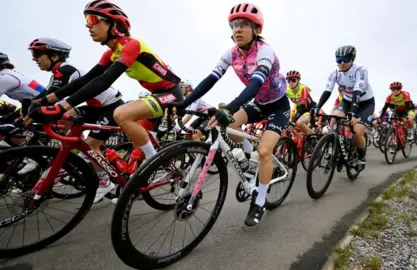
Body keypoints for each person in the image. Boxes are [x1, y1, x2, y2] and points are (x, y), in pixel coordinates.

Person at [170, 2, 289, 227]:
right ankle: (247, 158)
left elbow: (255, 83)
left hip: (278, 105)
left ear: (257, 30)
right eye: (234, 25)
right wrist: (184, 102)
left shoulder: (266, 50)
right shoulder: (231, 54)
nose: (237, 30)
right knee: (229, 126)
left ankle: (260, 201)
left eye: (244, 25)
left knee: (265, 151)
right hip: (259, 103)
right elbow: (210, 79)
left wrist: (229, 107)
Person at [26, 0, 183, 169]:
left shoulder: (132, 45)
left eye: (93, 20)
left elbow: (104, 81)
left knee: (121, 114)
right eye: (87, 21)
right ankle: (132, 177)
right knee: (133, 154)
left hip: (172, 93)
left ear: (113, 24)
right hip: (155, 94)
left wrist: (61, 107)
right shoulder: (111, 53)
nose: (88, 26)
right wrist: (45, 101)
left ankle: (153, 163)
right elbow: (85, 80)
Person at [27, 37, 124, 203]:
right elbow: (43, 97)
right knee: (64, 120)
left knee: (92, 144)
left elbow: (53, 97)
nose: (34, 59)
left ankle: (104, 182)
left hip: (111, 106)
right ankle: (72, 151)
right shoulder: (57, 72)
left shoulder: (66, 70)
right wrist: (27, 109)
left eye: (37, 54)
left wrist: (32, 110)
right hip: (95, 107)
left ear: (55, 56)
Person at [315, 45, 375, 170]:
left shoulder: (361, 70)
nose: (342, 63)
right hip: (347, 101)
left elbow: (357, 92)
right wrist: (317, 107)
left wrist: (353, 113)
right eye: (338, 60)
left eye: (345, 60)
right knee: (334, 118)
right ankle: (333, 148)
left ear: (352, 59)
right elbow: (327, 91)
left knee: (357, 131)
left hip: (365, 103)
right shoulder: (335, 74)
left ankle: (361, 157)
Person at [285, 70, 316, 135]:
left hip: (310, 109)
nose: (290, 82)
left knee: (299, 123)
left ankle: (313, 135)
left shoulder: (304, 89)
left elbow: (302, 106)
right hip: (300, 109)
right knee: (292, 128)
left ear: (298, 81)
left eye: (293, 80)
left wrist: (293, 120)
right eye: (288, 80)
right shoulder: (287, 90)